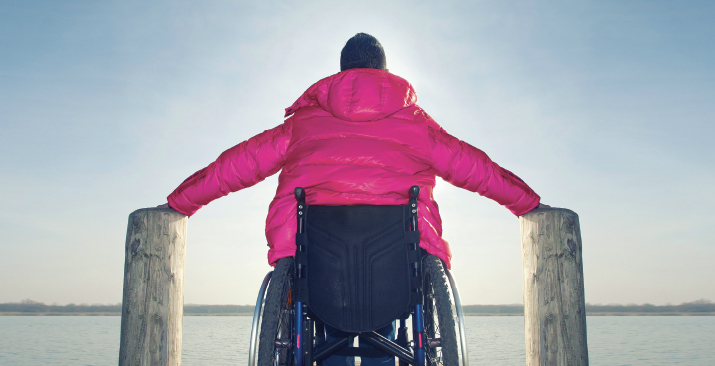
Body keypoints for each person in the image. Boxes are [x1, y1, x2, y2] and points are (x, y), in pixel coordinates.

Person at [163, 33, 543, 366]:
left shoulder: (302, 125)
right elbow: (476, 167)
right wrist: (527, 203)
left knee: (318, 299)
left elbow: (235, 165)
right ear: (385, 71)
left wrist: (181, 202)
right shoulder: (415, 124)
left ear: (341, 71)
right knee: (397, 293)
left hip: (318, 271)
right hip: (397, 272)